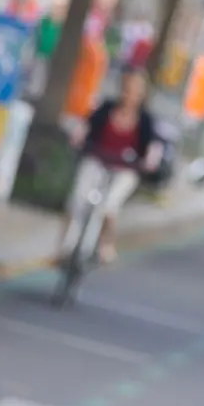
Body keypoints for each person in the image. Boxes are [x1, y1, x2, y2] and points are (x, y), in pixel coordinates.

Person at [62, 68, 161, 263]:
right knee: (78, 199)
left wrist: (150, 161)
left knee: (109, 206)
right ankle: (65, 248)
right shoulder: (106, 108)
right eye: (127, 88)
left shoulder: (145, 120)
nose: (130, 94)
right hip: (97, 161)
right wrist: (78, 138)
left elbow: (153, 146)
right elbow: (86, 126)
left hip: (125, 169)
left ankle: (105, 244)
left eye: (135, 90)